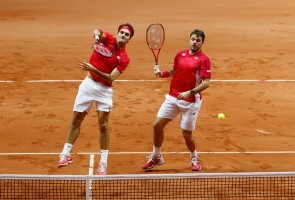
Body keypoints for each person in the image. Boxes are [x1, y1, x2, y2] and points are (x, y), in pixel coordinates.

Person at [58, 23, 134, 175]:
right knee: (76, 119)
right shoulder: (108, 40)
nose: (123, 35)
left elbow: (111, 77)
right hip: (88, 85)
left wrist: (93, 68)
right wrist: (97, 35)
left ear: (129, 40)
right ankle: (65, 154)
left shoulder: (124, 58)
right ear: (117, 34)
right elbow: (97, 30)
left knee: (104, 125)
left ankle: (103, 163)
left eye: (126, 35)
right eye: (122, 33)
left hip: (104, 90)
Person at [142, 29, 211, 172]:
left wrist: (189, 92)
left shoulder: (204, 60)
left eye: (198, 40)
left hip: (191, 101)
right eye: (192, 39)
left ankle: (194, 157)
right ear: (189, 39)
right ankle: (156, 156)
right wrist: (163, 74)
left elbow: (206, 83)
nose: (194, 42)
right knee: (157, 125)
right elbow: (175, 70)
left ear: (202, 43)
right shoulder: (180, 54)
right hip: (173, 97)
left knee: (186, 134)